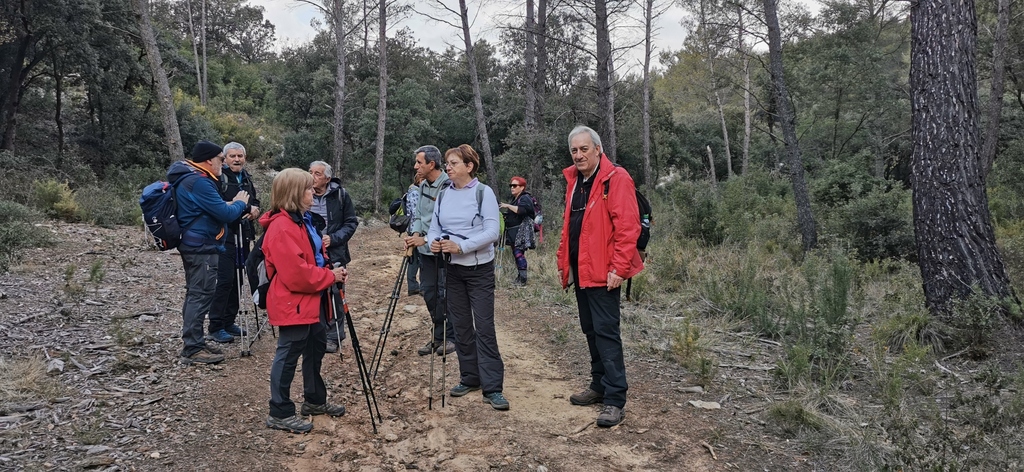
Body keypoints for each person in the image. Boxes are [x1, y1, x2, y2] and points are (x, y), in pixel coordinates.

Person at [556, 126, 644, 427]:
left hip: (605, 273)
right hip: (581, 270)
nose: (579, 155)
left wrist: (619, 269)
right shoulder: (575, 180)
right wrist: (562, 263)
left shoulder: (615, 178)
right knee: (590, 330)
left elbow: (628, 227)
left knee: (606, 333)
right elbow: (569, 225)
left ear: (597, 149)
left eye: (584, 149)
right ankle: (598, 385)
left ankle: (615, 399)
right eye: (574, 151)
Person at [259, 168, 348, 434]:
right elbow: (296, 274)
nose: (314, 192)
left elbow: (313, 258)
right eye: (309, 189)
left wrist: (331, 271)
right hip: (294, 301)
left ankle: (314, 401)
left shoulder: (301, 220)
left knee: (315, 348)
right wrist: (329, 276)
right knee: (288, 354)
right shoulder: (282, 227)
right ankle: (280, 411)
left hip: (311, 300)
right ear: (295, 193)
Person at [426, 144, 507, 410]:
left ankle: (493, 387)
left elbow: (492, 232)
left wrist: (461, 246)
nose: (447, 167)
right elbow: (434, 228)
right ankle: (470, 377)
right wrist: (434, 243)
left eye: (453, 163)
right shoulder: (444, 195)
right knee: (460, 326)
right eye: (447, 163)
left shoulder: (484, 193)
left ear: (469, 166)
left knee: (484, 327)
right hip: (451, 269)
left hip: (479, 269)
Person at [168, 140, 250, 365]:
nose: (222, 163)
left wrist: (230, 204)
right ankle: (192, 348)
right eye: (220, 159)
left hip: (197, 244)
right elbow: (225, 213)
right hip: (201, 247)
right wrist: (241, 204)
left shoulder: (190, 178)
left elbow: (214, 208)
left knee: (196, 292)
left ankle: (195, 341)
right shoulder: (200, 182)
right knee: (200, 294)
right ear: (208, 160)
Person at [403, 145, 456, 357]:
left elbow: (448, 221)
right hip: (424, 251)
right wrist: (415, 235)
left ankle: (450, 337)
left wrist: (424, 238)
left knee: (445, 294)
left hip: (443, 251)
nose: (416, 166)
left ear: (431, 164)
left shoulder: (449, 186)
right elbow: (417, 215)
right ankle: (438, 335)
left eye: (419, 162)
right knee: (429, 293)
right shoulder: (423, 185)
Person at [208, 142, 261, 343]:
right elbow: (216, 205)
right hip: (224, 236)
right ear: (225, 158)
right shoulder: (218, 178)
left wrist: (254, 209)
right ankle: (215, 325)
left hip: (243, 234)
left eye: (240, 156)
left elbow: (254, 201)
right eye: (232, 156)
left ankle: (229, 321)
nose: (237, 159)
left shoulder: (246, 177)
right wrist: (239, 207)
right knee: (224, 280)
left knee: (238, 280)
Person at [308, 160, 358, 354]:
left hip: (335, 252)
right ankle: (316, 333)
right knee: (315, 293)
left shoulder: (340, 195)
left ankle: (334, 336)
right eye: (310, 172)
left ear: (327, 178)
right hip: (311, 254)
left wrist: (334, 239)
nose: (312, 176)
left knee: (336, 294)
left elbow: (351, 222)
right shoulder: (304, 194)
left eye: (317, 174)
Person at [498, 176, 536, 285]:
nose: (512, 188)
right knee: (517, 253)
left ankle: (523, 279)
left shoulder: (525, 198)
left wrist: (507, 206)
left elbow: (522, 211)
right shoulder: (515, 199)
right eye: (511, 185)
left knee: (518, 253)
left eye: (515, 186)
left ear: (522, 187)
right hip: (514, 231)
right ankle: (520, 277)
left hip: (521, 231)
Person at [406, 173, 424, 296]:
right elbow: (417, 212)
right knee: (419, 259)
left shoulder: (412, 191)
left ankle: (414, 286)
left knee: (414, 259)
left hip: (413, 229)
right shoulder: (415, 192)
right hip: (416, 230)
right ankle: (420, 286)